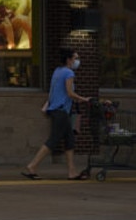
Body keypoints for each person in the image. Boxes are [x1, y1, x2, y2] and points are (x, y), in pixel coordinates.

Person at [22, 47, 91, 180]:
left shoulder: (57, 71)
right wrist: (84, 99)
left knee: (69, 140)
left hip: (56, 109)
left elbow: (54, 91)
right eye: (75, 58)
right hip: (61, 111)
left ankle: (72, 171)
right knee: (53, 140)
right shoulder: (69, 74)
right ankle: (32, 165)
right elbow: (70, 93)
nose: (77, 61)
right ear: (69, 59)